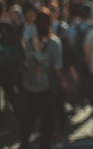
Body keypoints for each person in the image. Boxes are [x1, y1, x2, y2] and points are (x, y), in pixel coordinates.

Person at [20, 8, 63, 149]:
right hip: (47, 87)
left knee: (28, 118)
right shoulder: (54, 43)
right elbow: (57, 67)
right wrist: (63, 81)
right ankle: (44, 145)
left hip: (30, 85)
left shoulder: (28, 41)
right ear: (50, 23)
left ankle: (24, 143)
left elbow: (25, 63)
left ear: (35, 24)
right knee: (47, 120)